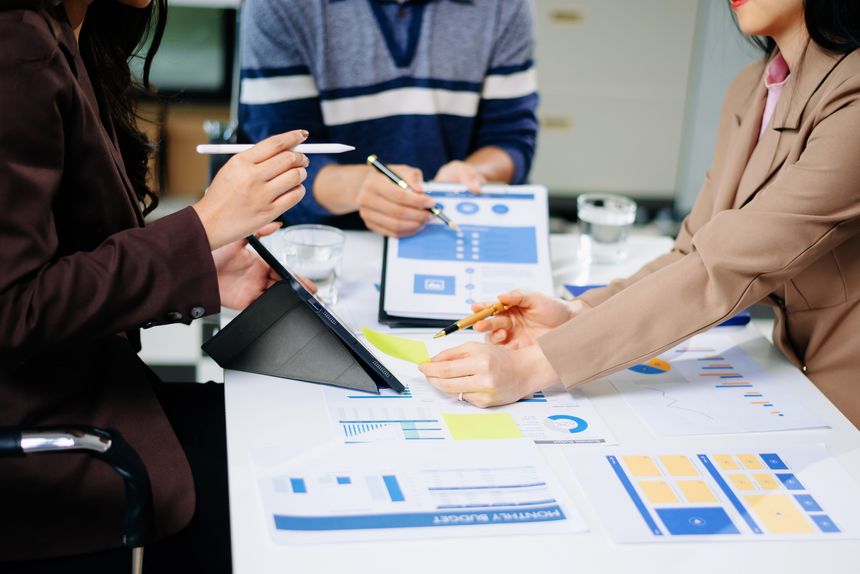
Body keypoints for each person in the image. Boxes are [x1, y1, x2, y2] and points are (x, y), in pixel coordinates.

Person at [420, 0, 860, 429]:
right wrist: (576, 314)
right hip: (796, 385)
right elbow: (693, 253)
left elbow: (722, 269)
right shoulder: (752, 86)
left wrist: (533, 367)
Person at [0, 1, 309, 571]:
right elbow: (14, 311)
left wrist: (200, 266)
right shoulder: (17, 44)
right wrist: (201, 227)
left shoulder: (73, 32)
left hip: (92, 396)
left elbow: (64, 256)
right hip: (50, 444)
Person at [239, 0, 538, 237]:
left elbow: (511, 137)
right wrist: (358, 188)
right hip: (321, 243)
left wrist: (475, 174)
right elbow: (277, 153)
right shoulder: (278, 5)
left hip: (448, 233)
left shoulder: (504, 5)